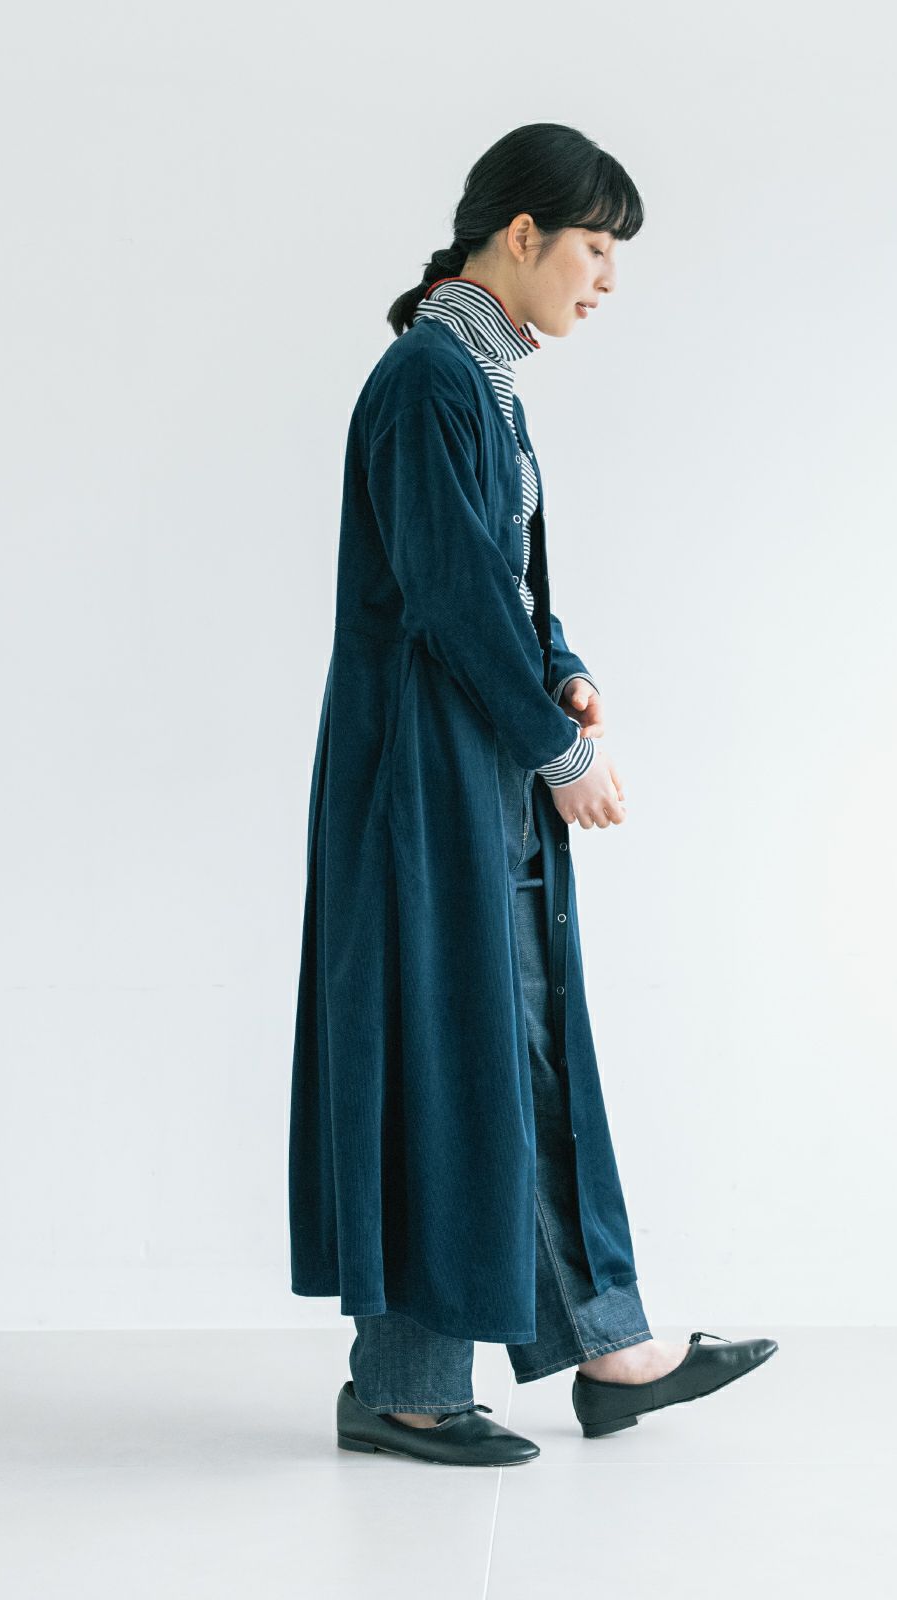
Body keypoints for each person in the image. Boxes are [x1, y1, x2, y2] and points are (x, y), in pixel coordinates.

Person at [289, 122, 778, 1466]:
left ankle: (610, 1348)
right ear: (521, 235)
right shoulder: (430, 380)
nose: (607, 279)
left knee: (511, 1047)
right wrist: (561, 753)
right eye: (596, 249)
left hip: (464, 765)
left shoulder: (480, 380)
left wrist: (562, 670)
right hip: (419, 783)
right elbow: (450, 595)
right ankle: (406, 1389)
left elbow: (494, 587)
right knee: (440, 1053)